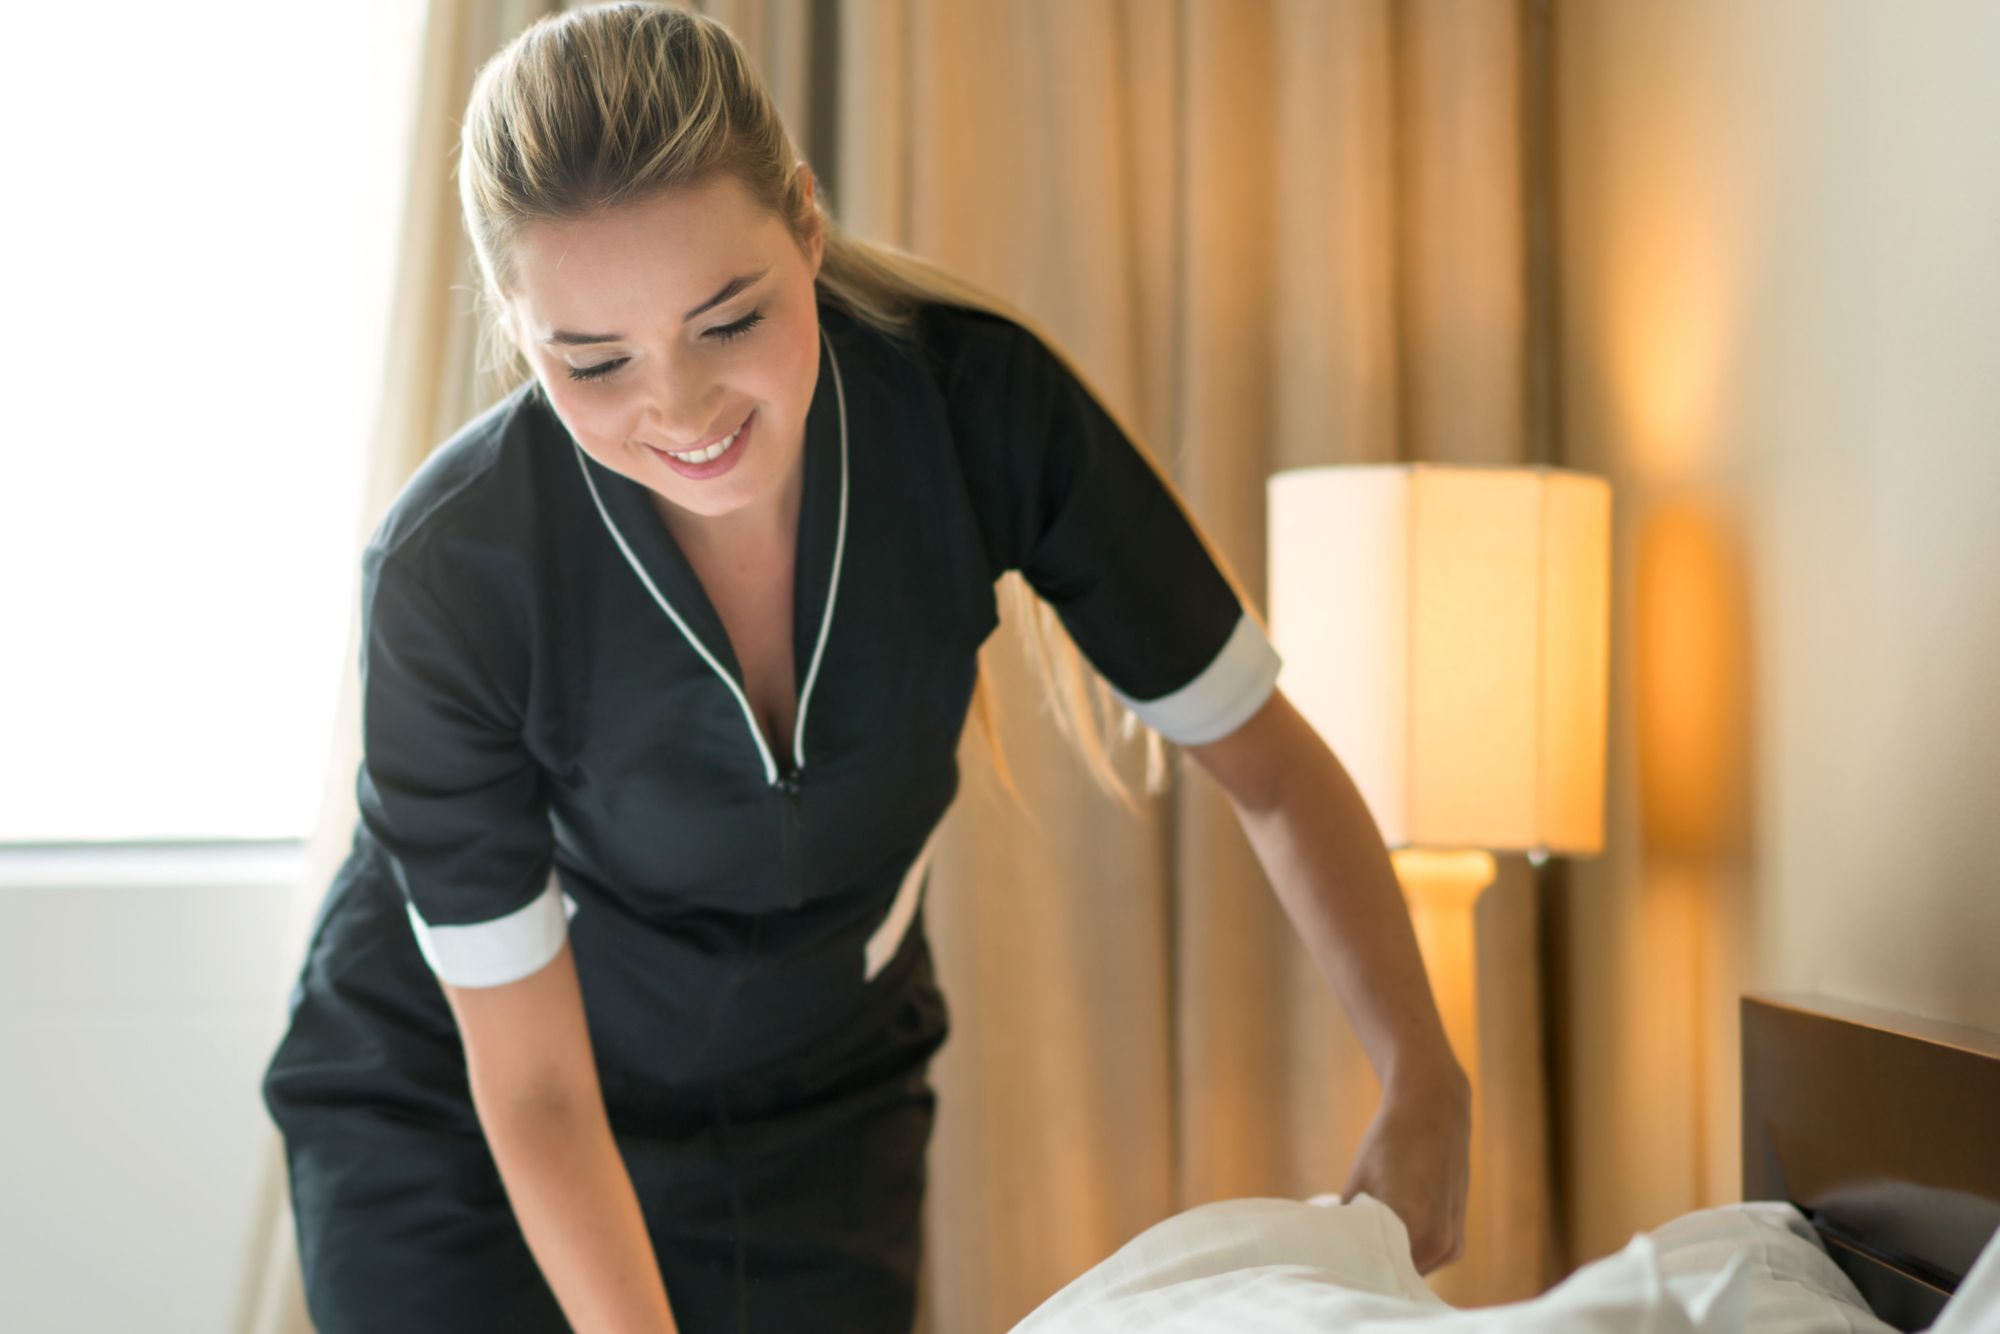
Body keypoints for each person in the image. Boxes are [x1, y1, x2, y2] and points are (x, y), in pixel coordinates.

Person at [263, 5, 1471, 1332]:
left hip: (817, 1105)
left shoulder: (976, 411)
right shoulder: (453, 571)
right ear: (517, 322)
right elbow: (538, 1091)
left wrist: (1424, 1076)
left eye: (729, 320)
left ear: (806, 220)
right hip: (463, 1118)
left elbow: (1272, 769)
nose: (681, 410)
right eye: (595, 361)